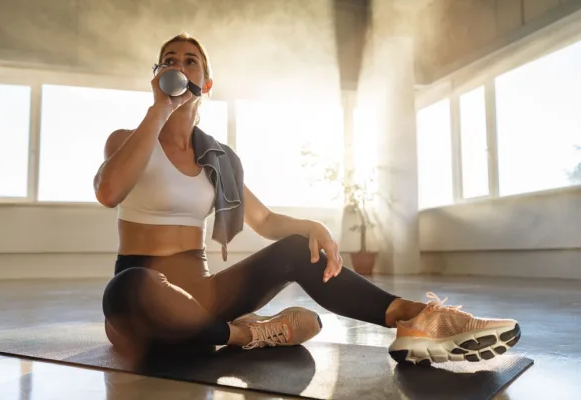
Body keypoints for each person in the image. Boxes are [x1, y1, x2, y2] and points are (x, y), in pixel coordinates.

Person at [94, 32, 521, 366]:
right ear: (157, 75)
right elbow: (108, 192)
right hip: (142, 295)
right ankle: (246, 334)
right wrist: (159, 110)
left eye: (190, 61)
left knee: (298, 249)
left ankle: (419, 319)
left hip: (205, 295)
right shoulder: (128, 140)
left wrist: (309, 227)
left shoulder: (218, 160)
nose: (179, 66)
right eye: (169, 60)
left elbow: (264, 221)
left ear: (205, 83)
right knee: (125, 290)